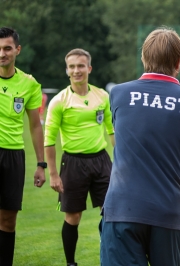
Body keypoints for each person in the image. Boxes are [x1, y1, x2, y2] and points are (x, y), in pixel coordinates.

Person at [100, 27, 180, 266]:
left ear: (143, 58)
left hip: (122, 209)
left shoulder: (118, 94)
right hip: (167, 211)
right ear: (178, 62)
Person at [44, 48, 114, 266]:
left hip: (102, 161)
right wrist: (54, 175)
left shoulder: (102, 96)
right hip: (73, 163)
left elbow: (112, 131)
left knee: (111, 214)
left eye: (81, 66)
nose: (77, 70)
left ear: (89, 68)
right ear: (67, 70)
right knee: (73, 217)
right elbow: (49, 140)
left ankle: (112, 259)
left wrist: (122, 163)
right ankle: (71, 263)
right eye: (72, 66)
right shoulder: (59, 101)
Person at [0, 26, 46, 266]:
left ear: (17, 50)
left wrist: (41, 164)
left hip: (13, 156)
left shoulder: (29, 84)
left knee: (8, 220)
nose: (2, 54)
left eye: (7, 48)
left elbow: (35, 126)